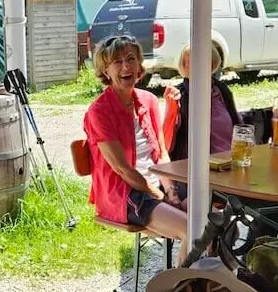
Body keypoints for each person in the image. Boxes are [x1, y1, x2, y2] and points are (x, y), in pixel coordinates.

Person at [83, 35, 187, 246]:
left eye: (131, 59)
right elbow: (122, 170)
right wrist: (159, 194)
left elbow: (161, 153)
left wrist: (171, 191)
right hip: (124, 193)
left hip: (158, 183)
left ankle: (205, 278)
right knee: (190, 229)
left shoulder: (147, 100)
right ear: (106, 71)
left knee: (214, 217)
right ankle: (187, 280)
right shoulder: (99, 111)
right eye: (117, 62)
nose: (126, 67)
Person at [163, 43, 241, 165]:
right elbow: (166, 143)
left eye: (200, 60)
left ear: (212, 63)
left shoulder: (221, 90)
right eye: (188, 62)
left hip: (229, 164)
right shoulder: (179, 95)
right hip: (196, 169)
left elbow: (238, 127)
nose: (194, 66)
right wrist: (172, 109)